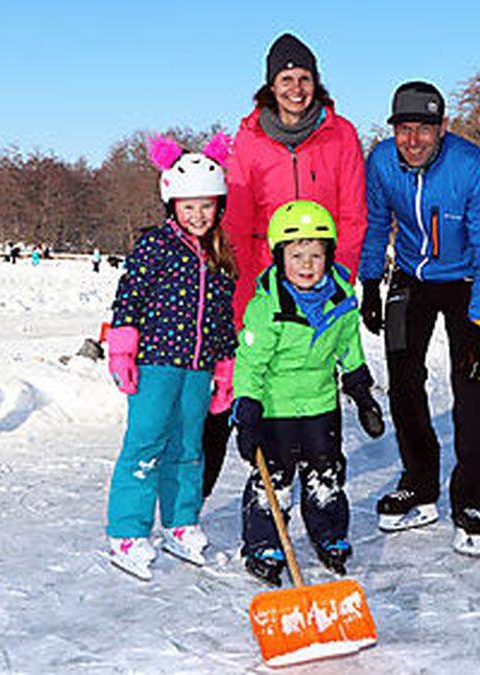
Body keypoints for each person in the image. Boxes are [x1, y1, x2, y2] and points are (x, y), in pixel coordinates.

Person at [204, 32, 369, 501]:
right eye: (286, 79)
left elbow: (353, 215)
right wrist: (241, 297)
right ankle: (253, 495)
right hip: (265, 287)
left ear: (316, 82)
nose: (296, 88)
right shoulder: (249, 139)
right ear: (269, 86)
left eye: (304, 78)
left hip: (322, 280)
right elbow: (236, 221)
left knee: (313, 379)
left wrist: (338, 281)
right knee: (259, 383)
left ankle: (322, 491)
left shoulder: (342, 134)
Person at [358, 81, 480, 556]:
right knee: (402, 381)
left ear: (443, 127)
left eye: (424, 128)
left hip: (467, 283)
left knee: (470, 384)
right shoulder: (381, 162)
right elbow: (377, 221)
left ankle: (474, 499)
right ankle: (420, 484)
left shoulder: (472, 167)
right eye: (404, 129)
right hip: (411, 277)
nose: (413, 139)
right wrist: (369, 284)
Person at [101, 133, 238, 581]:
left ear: (219, 205)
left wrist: (225, 368)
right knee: (145, 445)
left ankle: (181, 522)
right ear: (172, 204)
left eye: (207, 206)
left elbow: (221, 318)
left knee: (188, 449)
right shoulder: (155, 247)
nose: (199, 215)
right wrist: (122, 348)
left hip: (198, 369)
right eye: (189, 206)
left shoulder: (219, 255)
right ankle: (127, 531)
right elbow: (129, 298)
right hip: (157, 364)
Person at [231, 200, 384, 586]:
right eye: (296, 255)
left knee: (326, 474)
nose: (306, 265)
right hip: (275, 409)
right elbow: (250, 364)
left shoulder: (341, 297)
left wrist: (360, 389)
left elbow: (348, 344)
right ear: (280, 257)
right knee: (274, 481)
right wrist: (247, 410)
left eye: (315, 255)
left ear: (328, 256)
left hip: (320, 405)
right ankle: (264, 543)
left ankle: (329, 534)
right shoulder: (267, 307)